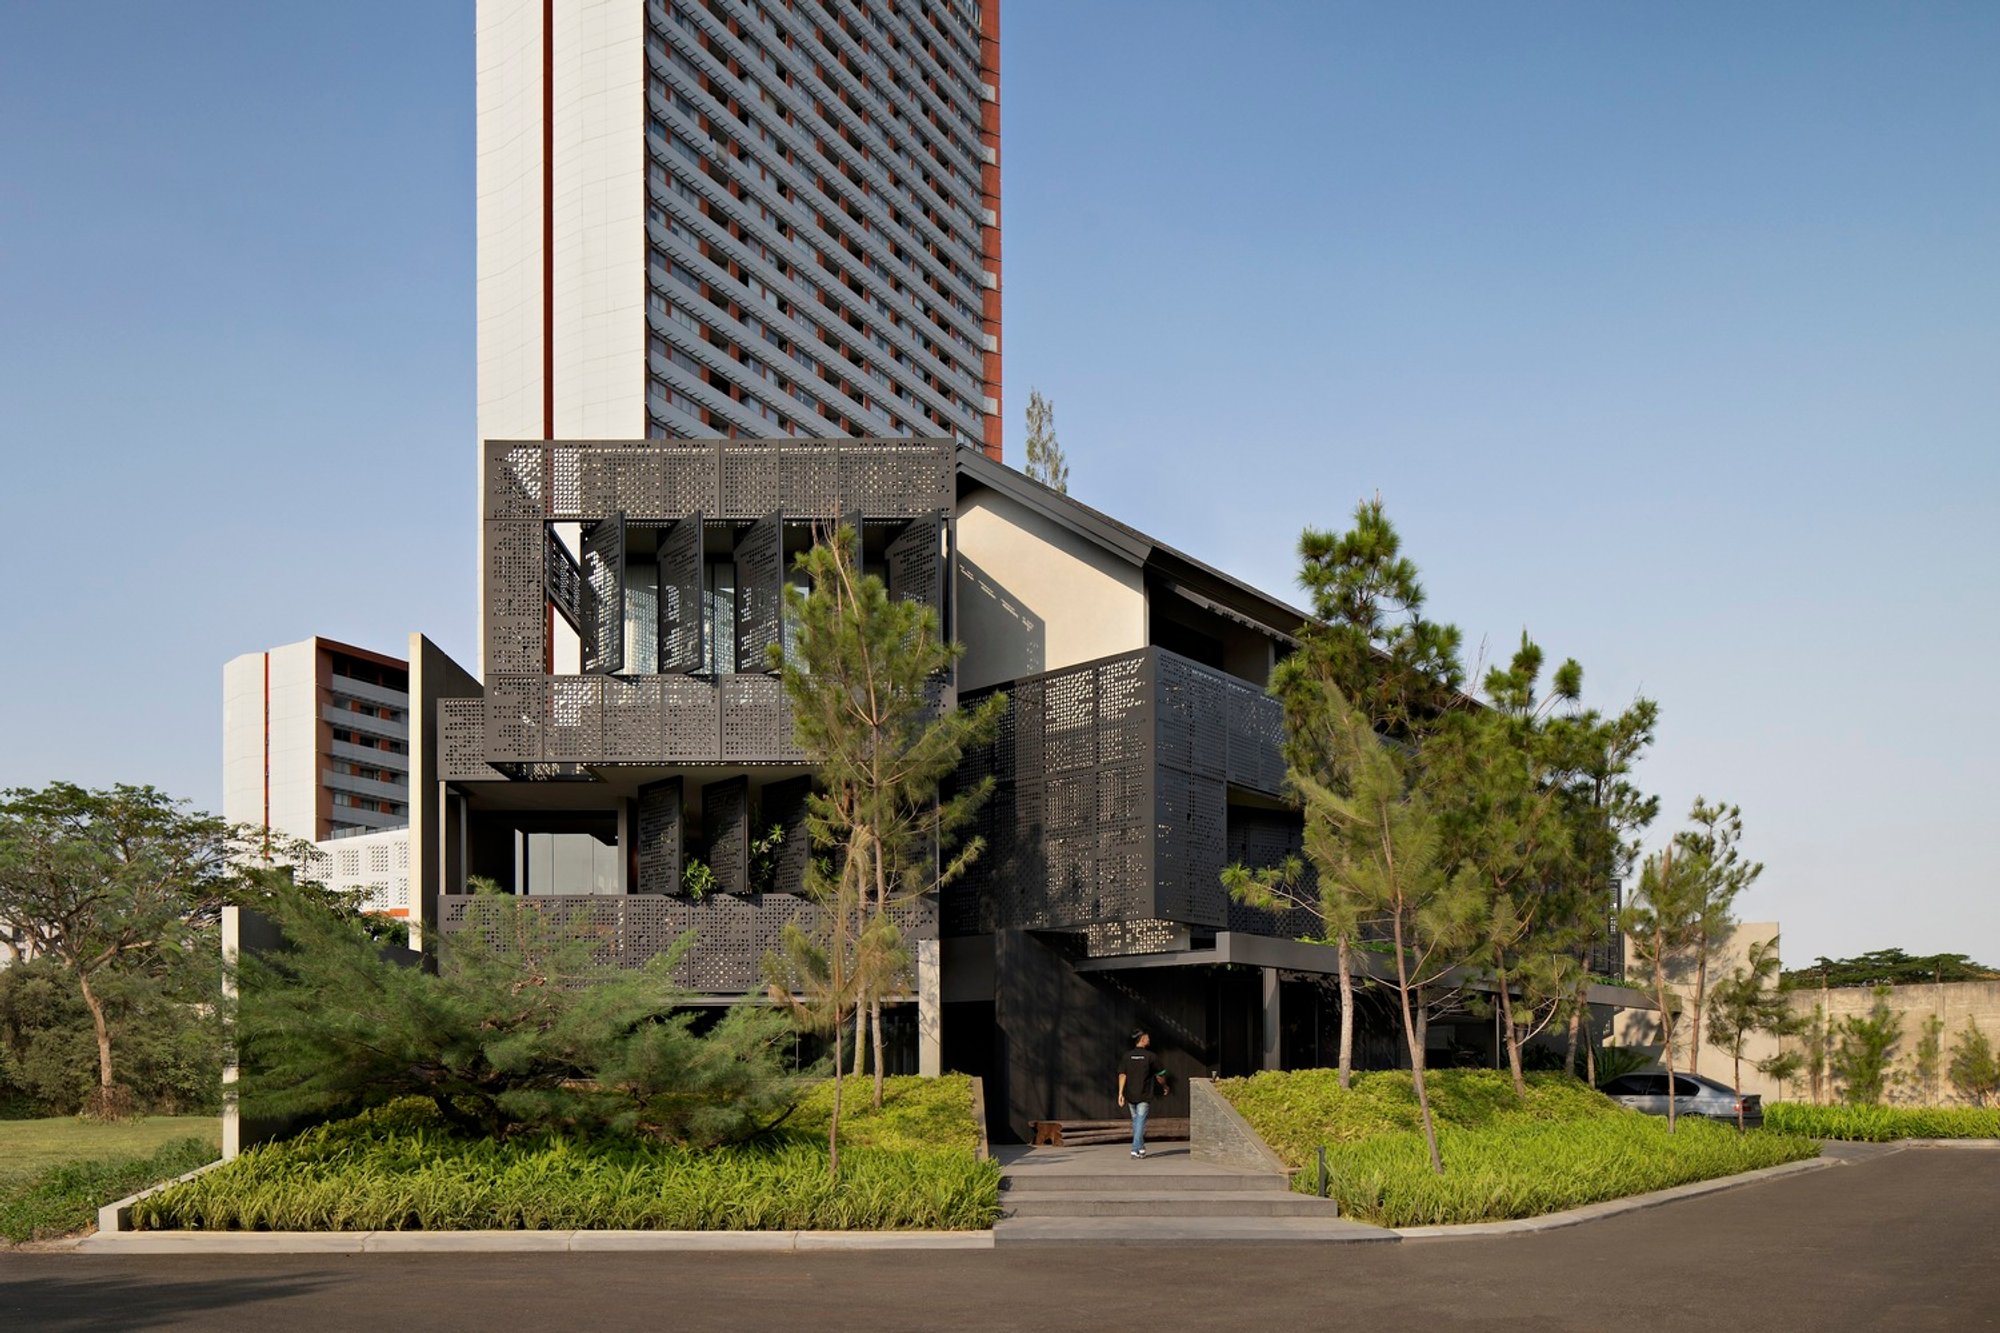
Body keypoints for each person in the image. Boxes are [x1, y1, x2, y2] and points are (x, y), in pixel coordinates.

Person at [1117, 1029, 1164, 1159]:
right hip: (1144, 1095)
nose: (1149, 1039)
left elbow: (1122, 1074)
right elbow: (1160, 1075)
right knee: (1139, 1122)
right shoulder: (1151, 1056)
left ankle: (1141, 1147)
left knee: (1137, 1122)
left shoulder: (1127, 1056)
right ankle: (1134, 1148)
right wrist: (1165, 1086)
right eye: (1147, 1037)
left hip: (1130, 1095)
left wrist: (1120, 1093)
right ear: (1142, 1039)